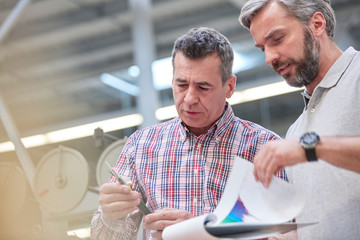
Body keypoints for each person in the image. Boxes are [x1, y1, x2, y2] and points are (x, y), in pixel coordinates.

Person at [90, 27, 287, 239]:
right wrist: (111, 215)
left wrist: (203, 232)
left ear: (229, 86)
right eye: (182, 84)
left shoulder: (265, 148)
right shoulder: (141, 146)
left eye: (203, 87)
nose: (190, 98)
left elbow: (289, 234)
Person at [239, 0, 360, 239]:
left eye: (277, 39)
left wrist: (311, 148)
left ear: (316, 24)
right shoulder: (296, 131)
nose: (269, 57)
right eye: (262, 48)